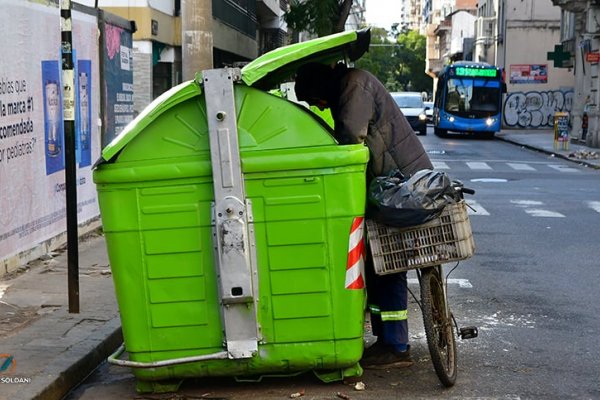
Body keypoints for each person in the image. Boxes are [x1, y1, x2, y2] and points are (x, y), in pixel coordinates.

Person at [294, 62, 434, 369]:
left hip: (400, 186)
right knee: (374, 266)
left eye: (313, 99)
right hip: (390, 184)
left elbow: (349, 144)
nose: (317, 105)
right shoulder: (349, 87)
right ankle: (386, 341)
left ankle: (396, 346)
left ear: (319, 87)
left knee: (388, 266)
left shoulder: (354, 87)